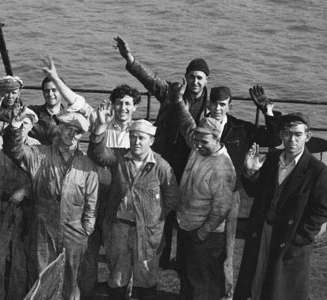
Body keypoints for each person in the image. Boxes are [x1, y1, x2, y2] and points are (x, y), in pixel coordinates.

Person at [113, 36, 211, 271]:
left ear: (207, 80)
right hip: (164, 160)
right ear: (185, 77)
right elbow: (149, 79)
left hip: (192, 165)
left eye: (200, 78)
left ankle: (184, 259)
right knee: (159, 209)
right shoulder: (171, 92)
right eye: (191, 76)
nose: (195, 82)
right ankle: (161, 256)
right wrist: (130, 58)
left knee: (188, 212)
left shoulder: (210, 106)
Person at [191, 85, 281, 298]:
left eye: (223, 104)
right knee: (198, 245)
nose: (218, 108)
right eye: (214, 103)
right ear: (209, 104)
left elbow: (273, 139)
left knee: (226, 249)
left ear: (229, 106)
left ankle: (226, 294)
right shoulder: (198, 126)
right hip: (201, 195)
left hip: (230, 196)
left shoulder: (241, 128)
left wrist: (267, 111)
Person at [3, 109, 98, 300]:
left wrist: (86, 229)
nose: (72, 134)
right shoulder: (39, 155)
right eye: (68, 128)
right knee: (41, 279)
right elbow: (14, 150)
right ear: (59, 129)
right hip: (43, 230)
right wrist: (15, 126)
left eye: (77, 131)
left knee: (71, 284)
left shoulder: (87, 165)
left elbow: (92, 202)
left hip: (74, 233)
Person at [234, 113, 327, 300]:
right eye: (287, 134)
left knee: (282, 289)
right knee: (256, 282)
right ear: (281, 135)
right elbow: (255, 191)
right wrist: (250, 172)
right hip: (263, 232)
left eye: (297, 134)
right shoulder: (272, 160)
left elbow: (323, 210)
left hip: (291, 238)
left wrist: (301, 237)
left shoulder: (317, 170)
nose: (292, 140)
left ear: (307, 137)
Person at [88, 103, 179, 299]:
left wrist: (154, 219)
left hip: (147, 233)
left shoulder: (162, 166)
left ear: (151, 140)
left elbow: (172, 198)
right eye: (132, 137)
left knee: (146, 277)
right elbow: (96, 154)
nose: (136, 141)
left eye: (141, 138)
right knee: (117, 277)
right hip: (118, 229)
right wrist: (100, 127)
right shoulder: (119, 157)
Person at [171, 82, 236, 300]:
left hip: (205, 235)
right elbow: (187, 124)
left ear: (217, 139)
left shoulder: (222, 168)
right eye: (196, 140)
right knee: (187, 277)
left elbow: (222, 208)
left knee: (203, 284)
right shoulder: (199, 146)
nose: (197, 145)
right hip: (186, 226)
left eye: (203, 141)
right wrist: (179, 101)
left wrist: (202, 233)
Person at [78, 84, 142, 299]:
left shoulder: (141, 133)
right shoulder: (102, 126)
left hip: (122, 201)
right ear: (113, 106)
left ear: (134, 107)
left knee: (121, 255)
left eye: (127, 104)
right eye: (119, 103)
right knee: (89, 251)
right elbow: (95, 153)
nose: (123, 107)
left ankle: (122, 292)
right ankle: (86, 292)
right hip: (98, 196)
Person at [0, 87, 40, 300]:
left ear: (31, 127)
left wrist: (26, 190)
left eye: (26, 124)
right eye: (19, 123)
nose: (22, 128)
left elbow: (43, 182)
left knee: (20, 264)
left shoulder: (37, 149)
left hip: (24, 214)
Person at [28, 57, 94, 145]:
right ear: (43, 93)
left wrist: (56, 79)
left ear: (61, 92)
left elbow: (80, 105)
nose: (50, 94)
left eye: (54, 90)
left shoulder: (70, 115)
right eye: (47, 91)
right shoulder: (33, 112)